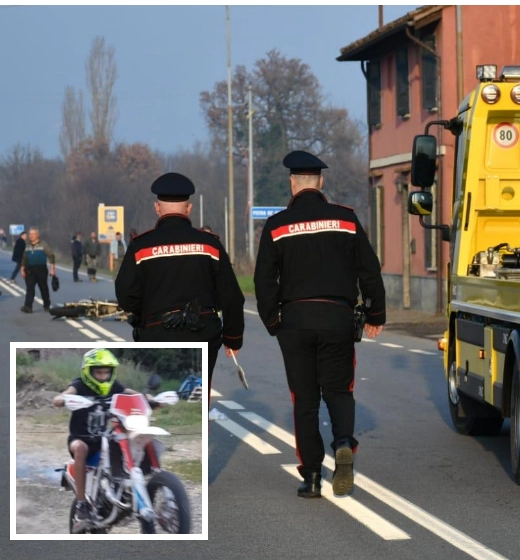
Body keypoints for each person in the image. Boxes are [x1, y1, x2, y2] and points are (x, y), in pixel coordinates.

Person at [254, 150, 386, 498]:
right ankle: (343, 441)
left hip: (295, 320)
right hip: (337, 317)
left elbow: (264, 280)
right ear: (321, 182)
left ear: (292, 183)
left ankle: (311, 476)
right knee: (339, 390)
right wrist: (376, 314)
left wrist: (272, 321)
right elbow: (369, 270)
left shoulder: (277, 225)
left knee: (305, 399)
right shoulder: (346, 219)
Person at [114, 172, 245, 423]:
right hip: (203, 333)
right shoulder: (210, 245)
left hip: (156, 331)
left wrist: (143, 317)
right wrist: (233, 337)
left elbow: (125, 295)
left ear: (157, 207)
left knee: (156, 392)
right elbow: (231, 296)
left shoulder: (141, 246)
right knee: (200, 401)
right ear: (189, 207)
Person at [52, 348, 154, 531]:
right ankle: (82, 503)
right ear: (88, 371)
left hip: (103, 440)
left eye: (106, 372)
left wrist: (146, 398)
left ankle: (123, 490)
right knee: (80, 449)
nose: (102, 375)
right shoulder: (80, 385)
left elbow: (131, 393)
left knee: (127, 442)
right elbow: (66, 393)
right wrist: (62, 399)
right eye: (98, 372)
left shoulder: (114, 386)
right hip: (80, 439)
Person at [20, 227, 56, 313]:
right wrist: (22, 269)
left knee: (43, 288)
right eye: (30, 234)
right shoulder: (27, 246)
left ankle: (47, 305)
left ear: (37, 235)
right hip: (30, 270)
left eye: (33, 234)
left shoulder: (43, 245)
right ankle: (28, 306)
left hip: (41, 269)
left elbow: (51, 256)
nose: (31, 236)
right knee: (30, 288)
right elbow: (24, 259)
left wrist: (52, 269)